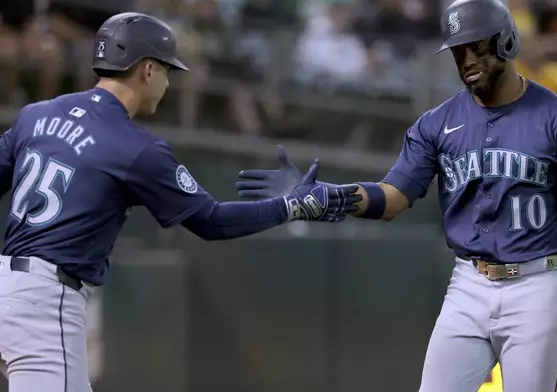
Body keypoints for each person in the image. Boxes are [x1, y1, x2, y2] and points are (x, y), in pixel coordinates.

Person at [235, 0, 557, 391]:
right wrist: (329, 196)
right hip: (469, 282)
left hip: (537, 286)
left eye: (477, 46)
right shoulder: (436, 124)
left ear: (506, 42)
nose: (467, 59)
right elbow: (393, 197)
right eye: (458, 50)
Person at [0, 12, 361, 392]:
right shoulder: (136, 147)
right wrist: (293, 206)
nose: (169, 82)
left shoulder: (36, 115)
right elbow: (212, 221)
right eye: (169, 71)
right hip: (46, 302)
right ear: (148, 69)